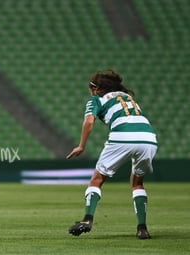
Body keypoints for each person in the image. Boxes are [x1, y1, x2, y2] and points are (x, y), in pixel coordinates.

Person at [66, 70, 157, 239]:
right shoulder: (128, 98)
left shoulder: (96, 99)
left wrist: (81, 146)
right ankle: (142, 228)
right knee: (137, 183)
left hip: (122, 136)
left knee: (97, 179)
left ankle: (87, 219)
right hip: (148, 138)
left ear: (95, 88)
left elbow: (89, 121)